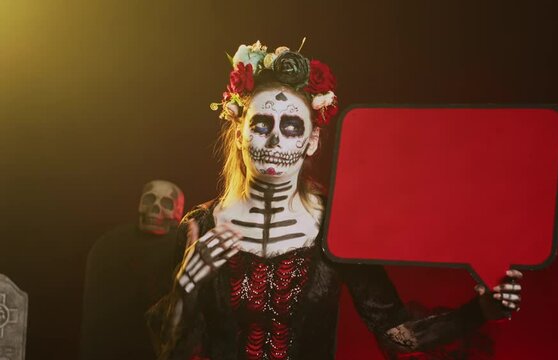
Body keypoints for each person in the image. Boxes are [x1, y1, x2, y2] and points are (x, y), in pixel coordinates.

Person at [147, 41, 523, 360]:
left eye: (292, 127)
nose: (276, 140)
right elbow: (172, 349)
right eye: (262, 125)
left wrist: (479, 311)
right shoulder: (201, 226)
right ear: (240, 131)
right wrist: (184, 290)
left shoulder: (337, 226)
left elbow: (395, 334)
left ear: (311, 141)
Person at [81, 180, 185, 360]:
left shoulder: (182, 249)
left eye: (166, 204)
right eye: (149, 200)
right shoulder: (110, 245)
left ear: (177, 213)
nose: (155, 209)